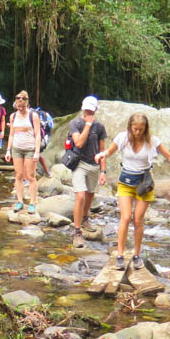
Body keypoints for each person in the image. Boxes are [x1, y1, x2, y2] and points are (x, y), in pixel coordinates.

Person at [96, 113, 170, 269]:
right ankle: (120, 255)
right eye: (135, 129)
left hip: (144, 184)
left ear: (146, 129)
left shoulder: (152, 141)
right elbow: (109, 151)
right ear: (130, 127)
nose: (137, 132)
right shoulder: (123, 138)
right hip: (126, 182)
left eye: (141, 129)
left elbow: (169, 156)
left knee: (138, 220)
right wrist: (102, 154)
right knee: (125, 218)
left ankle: (136, 255)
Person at [68, 96, 107, 249]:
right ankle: (77, 231)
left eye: (92, 109)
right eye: (87, 109)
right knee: (80, 195)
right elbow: (78, 142)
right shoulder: (75, 124)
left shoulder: (100, 127)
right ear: (83, 109)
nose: (89, 111)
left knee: (90, 194)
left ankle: (85, 218)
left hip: (94, 165)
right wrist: (88, 125)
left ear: (95, 110)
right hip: (79, 163)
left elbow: (102, 150)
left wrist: (103, 171)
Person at [4, 90, 41, 213]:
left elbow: (38, 134)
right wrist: (8, 150)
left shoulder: (33, 116)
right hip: (17, 148)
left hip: (30, 148)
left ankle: (32, 203)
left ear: (27, 104)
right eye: (18, 106)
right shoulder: (13, 116)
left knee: (30, 176)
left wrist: (37, 151)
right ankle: (19, 201)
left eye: (23, 106)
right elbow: (11, 135)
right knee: (18, 175)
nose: (20, 108)